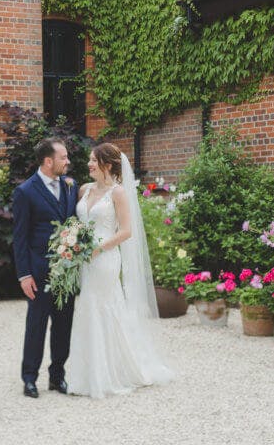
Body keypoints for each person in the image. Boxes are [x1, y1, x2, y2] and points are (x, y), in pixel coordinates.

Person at [65, 143, 174, 398]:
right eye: (90, 159)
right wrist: (73, 244)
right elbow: (76, 222)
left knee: (102, 307)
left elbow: (126, 231)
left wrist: (97, 248)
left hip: (104, 258)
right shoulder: (83, 189)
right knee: (87, 308)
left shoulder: (118, 193)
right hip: (84, 258)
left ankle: (109, 374)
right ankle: (88, 372)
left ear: (108, 164)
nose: (89, 164)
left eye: (94, 160)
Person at [11, 137, 78, 398]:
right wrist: (24, 274)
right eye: (63, 157)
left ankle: (57, 376)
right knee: (36, 325)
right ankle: (29, 378)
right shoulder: (25, 191)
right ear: (48, 161)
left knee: (63, 326)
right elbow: (20, 237)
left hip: (67, 271)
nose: (68, 161)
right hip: (38, 272)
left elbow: (73, 223)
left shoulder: (71, 186)